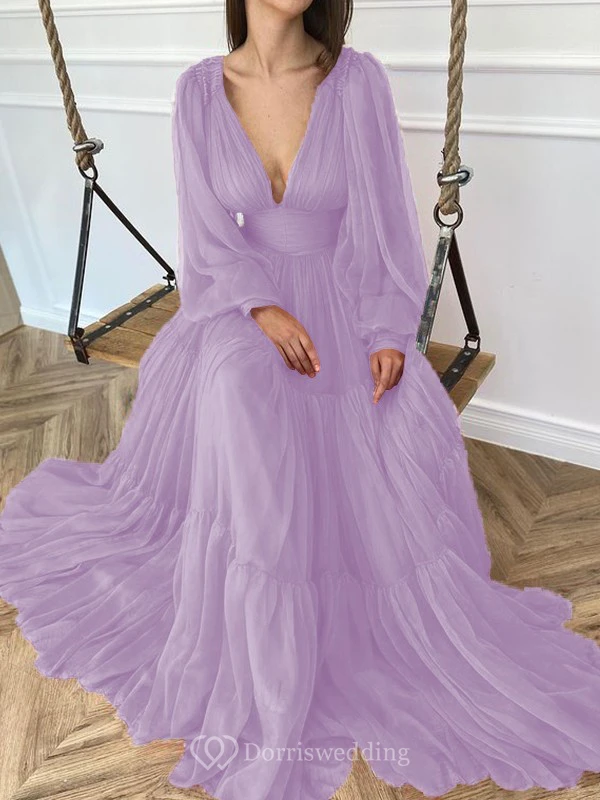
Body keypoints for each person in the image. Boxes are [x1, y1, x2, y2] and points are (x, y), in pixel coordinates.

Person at [2, 7, 600, 800]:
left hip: (343, 296)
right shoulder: (198, 93)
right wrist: (261, 307)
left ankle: (337, 624)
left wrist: (386, 326)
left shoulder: (357, 83)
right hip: (238, 301)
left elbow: (383, 222)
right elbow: (206, 238)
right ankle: (265, 659)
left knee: (386, 414)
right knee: (241, 395)